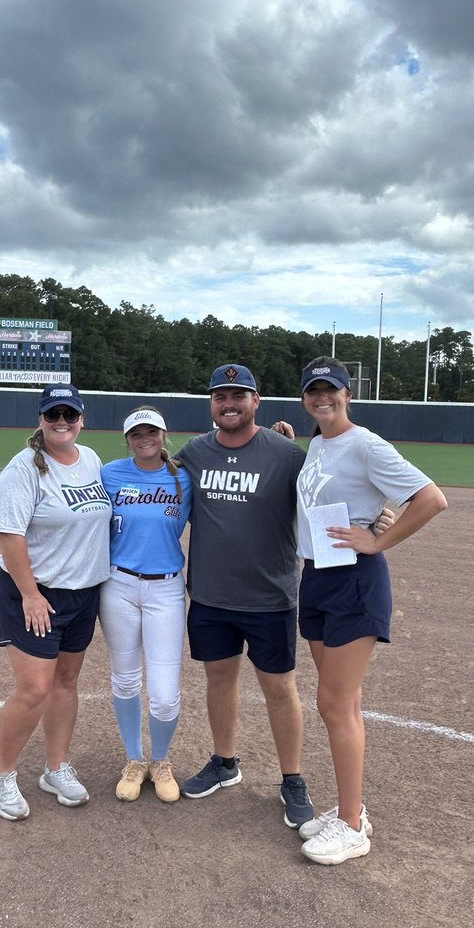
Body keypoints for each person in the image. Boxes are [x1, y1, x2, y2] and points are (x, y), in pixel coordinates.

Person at [294, 357, 447, 864]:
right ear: (304, 397)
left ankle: (353, 824)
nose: (323, 398)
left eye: (331, 390)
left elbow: (430, 498)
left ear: (348, 395)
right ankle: (348, 808)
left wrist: (378, 543)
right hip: (317, 576)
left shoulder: (365, 443)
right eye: (314, 390)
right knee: (343, 703)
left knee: (335, 705)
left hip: (354, 582)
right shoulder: (317, 443)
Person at [173, 363, 318, 828]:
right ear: (211, 405)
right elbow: (153, 478)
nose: (229, 403)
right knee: (219, 679)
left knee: (279, 687)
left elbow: (326, 493)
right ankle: (225, 761)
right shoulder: (194, 451)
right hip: (212, 596)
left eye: (239, 395)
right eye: (220, 396)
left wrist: (374, 517)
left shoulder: (285, 453)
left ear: (257, 401)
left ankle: (292, 778)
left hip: (270, 596)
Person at [0, 384, 111, 821]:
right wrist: (30, 595)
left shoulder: (91, 459)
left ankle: (55, 768)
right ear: (40, 419)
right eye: (53, 414)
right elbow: (10, 534)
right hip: (36, 592)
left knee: (66, 681)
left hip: (83, 592)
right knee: (34, 687)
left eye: (70, 414)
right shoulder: (22, 470)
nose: (62, 422)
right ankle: (4, 773)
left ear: (81, 418)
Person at [99, 407, 192, 803]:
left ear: (163, 434)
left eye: (151, 431)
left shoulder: (183, 477)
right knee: (124, 678)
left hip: (167, 590)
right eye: (136, 433)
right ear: (127, 438)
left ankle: (161, 760)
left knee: (165, 692)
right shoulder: (109, 473)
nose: (144, 438)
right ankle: (135, 760)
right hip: (118, 585)